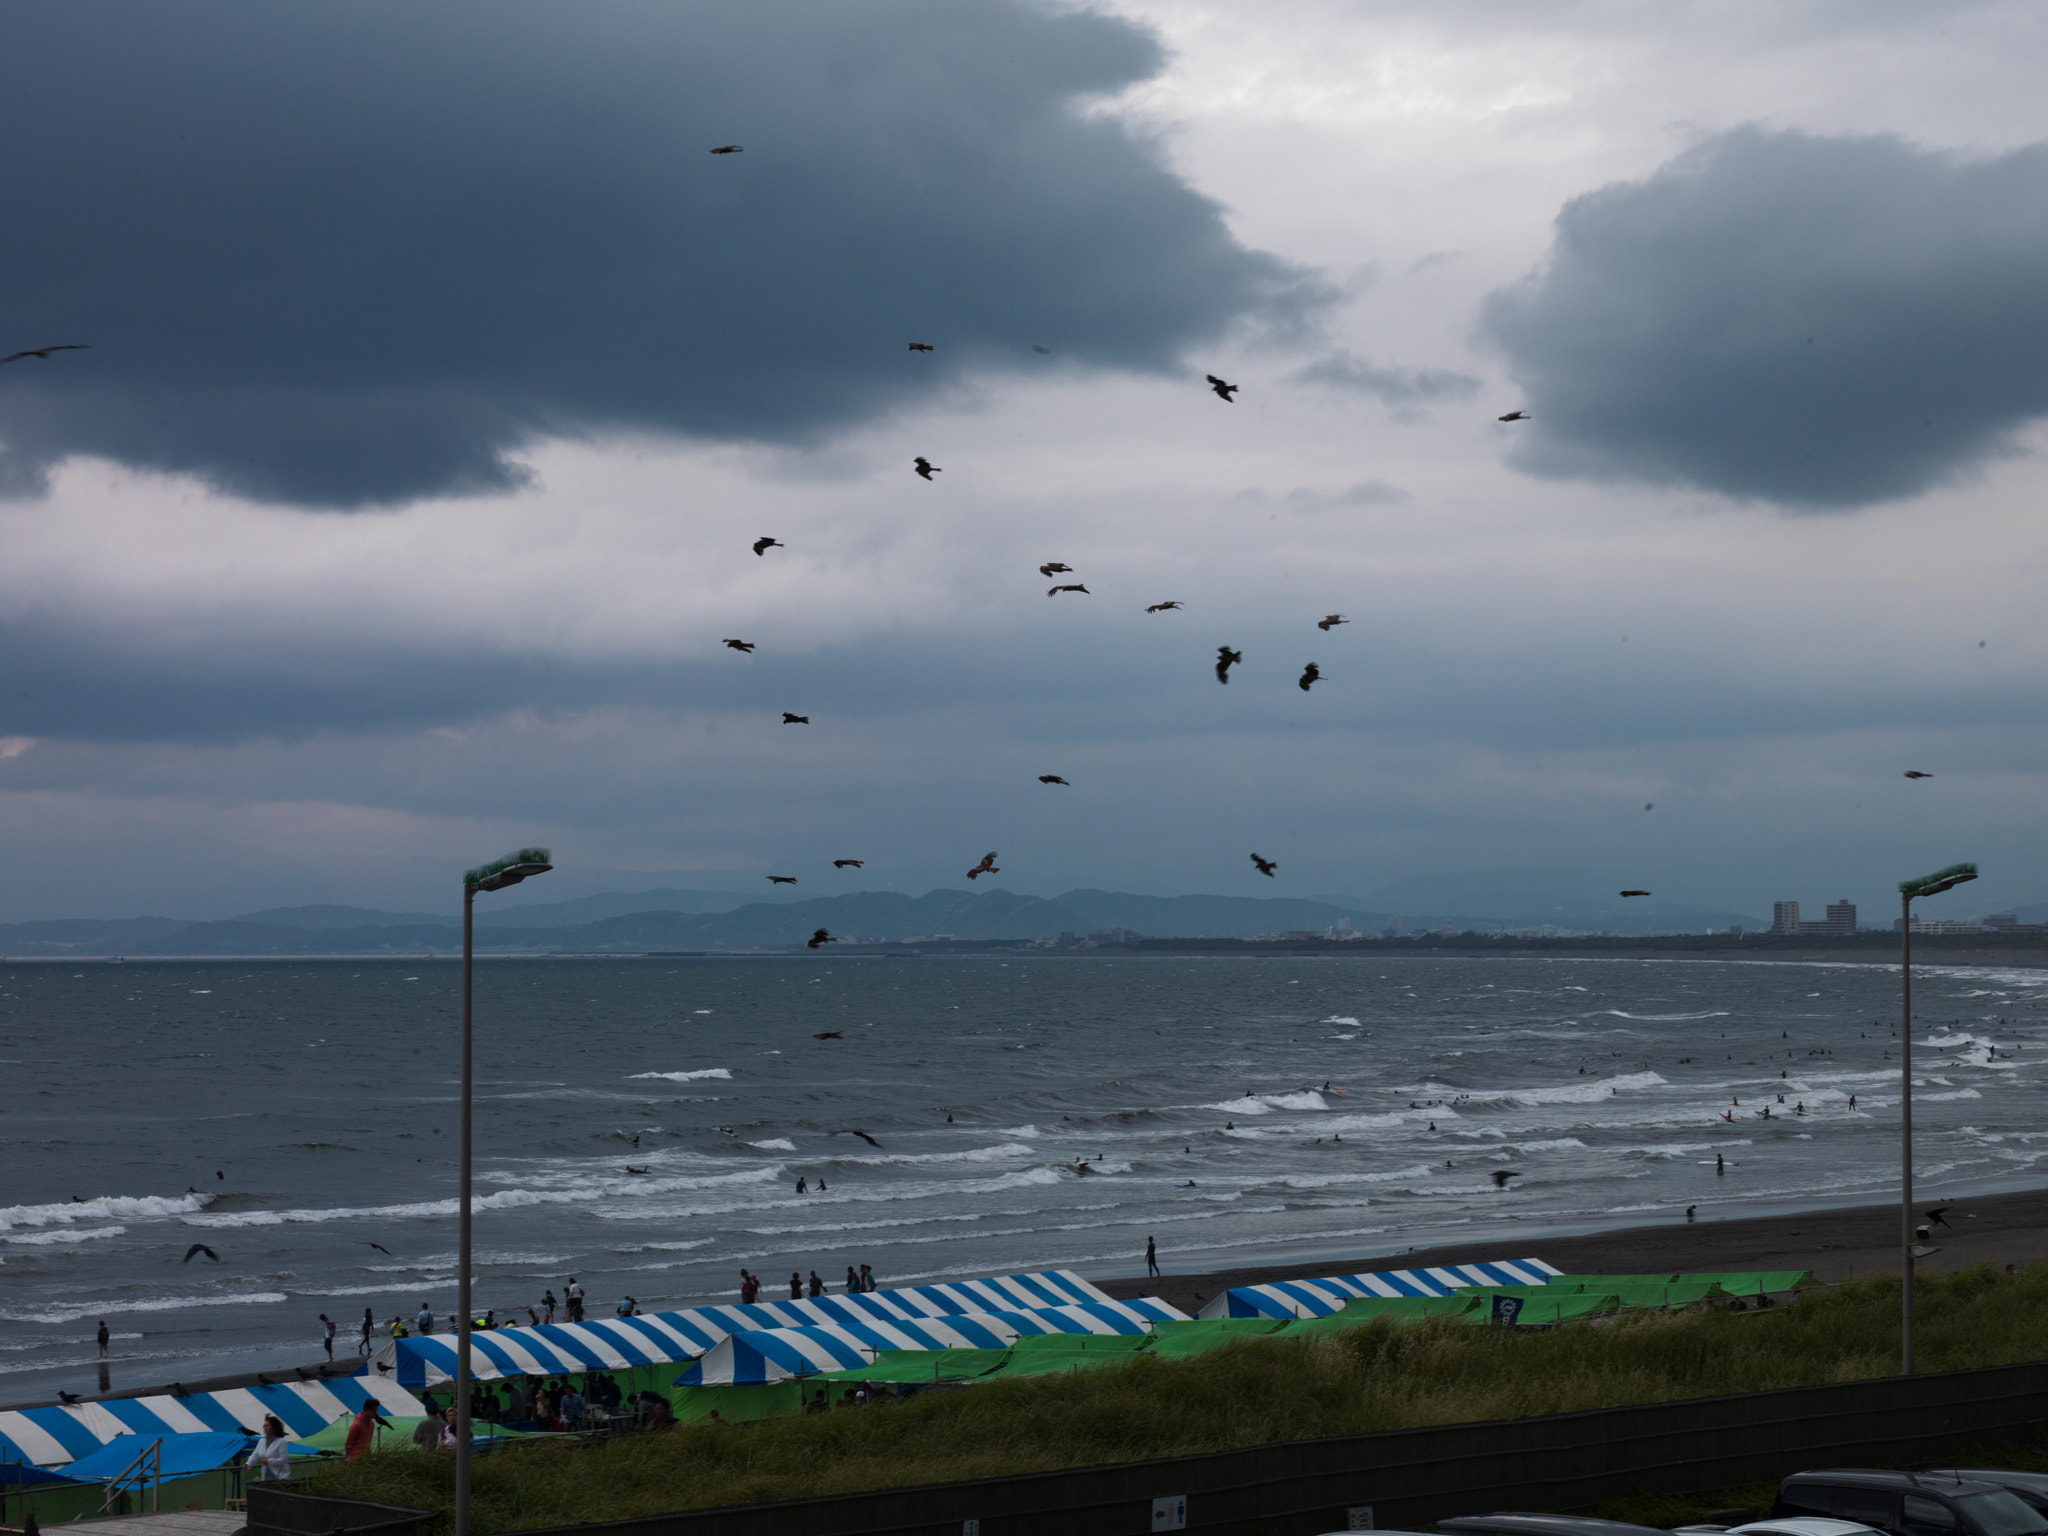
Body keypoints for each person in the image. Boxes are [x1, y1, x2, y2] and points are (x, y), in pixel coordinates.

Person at [246, 1414, 293, 1481]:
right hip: (266, 1477)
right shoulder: (261, 1441)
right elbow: (255, 1454)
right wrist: (248, 1463)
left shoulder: (281, 1441)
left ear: (274, 1428)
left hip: (280, 1477)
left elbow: (284, 1459)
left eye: (267, 1426)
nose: (265, 1428)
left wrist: (269, 1461)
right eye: (264, 1426)